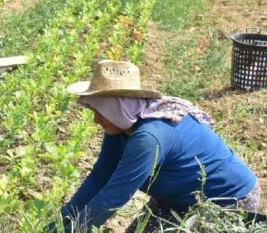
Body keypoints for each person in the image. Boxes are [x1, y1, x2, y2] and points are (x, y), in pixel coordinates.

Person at [46, 60, 260, 233]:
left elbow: (114, 196)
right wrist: (57, 223)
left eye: (100, 111)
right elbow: (99, 178)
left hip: (228, 201)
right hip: (178, 200)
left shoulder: (149, 136)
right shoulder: (121, 127)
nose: (96, 120)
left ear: (118, 108)